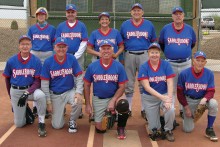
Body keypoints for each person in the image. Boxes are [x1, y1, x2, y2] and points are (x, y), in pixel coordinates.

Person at [84, 40, 129, 139]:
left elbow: (122, 87)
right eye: (103, 49)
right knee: (100, 128)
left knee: (123, 104)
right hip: (99, 98)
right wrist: (88, 104)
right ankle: (108, 115)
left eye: (108, 49)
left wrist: (113, 101)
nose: (106, 51)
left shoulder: (119, 66)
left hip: (115, 96)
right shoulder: (92, 66)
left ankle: (121, 127)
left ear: (112, 51)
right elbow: (86, 85)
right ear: (100, 51)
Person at [2, 35, 47, 137]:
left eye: (27, 44)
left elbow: (37, 81)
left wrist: (27, 92)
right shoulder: (11, 60)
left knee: (41, 96)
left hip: (30, 90)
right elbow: (7, 79)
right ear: (19, 46)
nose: (25, 46)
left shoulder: (36, 60)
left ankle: (41, 122)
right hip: (16, 91)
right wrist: (11, 97)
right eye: (22, 44)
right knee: (19, 124)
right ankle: (26, 109)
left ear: (31, 46)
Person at [159, 6, 197, 118]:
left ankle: (182, 109)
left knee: (185, 87)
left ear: (183, 16)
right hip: (170, 63)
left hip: (186, 63)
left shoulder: (189, 29)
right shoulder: (166, 29)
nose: (178, 15)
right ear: (172, 16)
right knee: (171, 87)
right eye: (175, 14)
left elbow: (192, 44)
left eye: (180, 13)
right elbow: (162, 44)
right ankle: (171, 110)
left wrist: (182, 52)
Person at [120, 3, 157, 117]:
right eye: (134, 10)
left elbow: (153, 42)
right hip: (129, 54)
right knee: (129, 83)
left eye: (138, 10)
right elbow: (121, 43)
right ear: (131, 12)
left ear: (142, 12)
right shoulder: (125, 25)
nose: (136, 12)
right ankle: (129, 108)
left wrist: (152, 57)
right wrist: (121, 58)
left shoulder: (149, 24)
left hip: (144, 54)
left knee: (144, 82)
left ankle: (144, 109)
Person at [40, 37, 83, 133]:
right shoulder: (48, 61)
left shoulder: (71, 58)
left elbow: (79, 76)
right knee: (57, 126)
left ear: (67, 48)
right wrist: (48, 102)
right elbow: (45, 84)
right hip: (55, 94)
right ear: (54, 47)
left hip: (69, 91)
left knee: (78, 101)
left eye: (63, 47)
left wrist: (78, 92)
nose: (61, 49)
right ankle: (59, 111)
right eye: (59, 47)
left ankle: (72, 120)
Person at [138, 42, 175, 142]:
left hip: (165, 95)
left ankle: (168, 130)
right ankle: (159, 121)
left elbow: (170, 83)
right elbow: (146, 87)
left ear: (160, 53)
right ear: (148, 53)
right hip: (150, 98)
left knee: (170, 109)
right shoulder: (144, 67)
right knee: (154, 129)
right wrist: (162, 98)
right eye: (152, 52)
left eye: (156, 52)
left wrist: (168, 99)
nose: (154, 55)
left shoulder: (166, 65)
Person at [177, 51, 218, 142]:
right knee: (188, 130)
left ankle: (209, 128)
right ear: (193, 61)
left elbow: (211, 91)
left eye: (202, 61)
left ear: (205, 62)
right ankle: (186, 116)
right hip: (189, 101)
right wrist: (186, 107)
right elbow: (180, 93)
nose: (200, 63)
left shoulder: (209, 73)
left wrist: (205, 99)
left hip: (202, 100)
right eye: (197, 60)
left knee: (213, 103)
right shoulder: (184, 73)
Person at [55, 3, 88, 118]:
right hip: (63, 56)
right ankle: (62, 107)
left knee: (78, 81)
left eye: (72, 12)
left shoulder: (81, 25)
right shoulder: (61, 26)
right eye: (68, 12)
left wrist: (76, 55)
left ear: (76, 13)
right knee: (62, 79)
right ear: (66, 14)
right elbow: (57, 42)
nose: (70, 14)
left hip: (77, 57)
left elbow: (84, 42)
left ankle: (78, 108)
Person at [27, 7, 56, 118]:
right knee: (35, 78)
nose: (41, 16)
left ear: (46, 15)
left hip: (47, 54)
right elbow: (29, 43)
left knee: (46, 79)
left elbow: (54, 44)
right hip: (34, 54)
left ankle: (47, 105)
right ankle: (36, 106)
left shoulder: (52, 29)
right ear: (36, 16)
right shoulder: (32, 28)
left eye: (43, 14)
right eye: (39, 14)